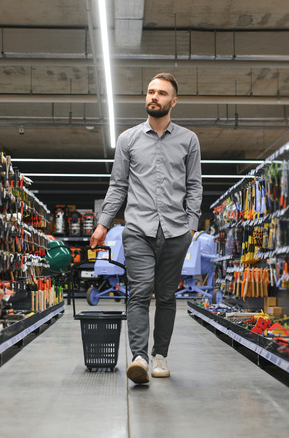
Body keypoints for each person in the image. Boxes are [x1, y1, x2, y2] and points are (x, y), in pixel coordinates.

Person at [89, 72, 202, 385]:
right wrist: (103, 224)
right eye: (151, 92)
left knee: (166, 297)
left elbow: (194, 185)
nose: (154, 97)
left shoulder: (188, 140)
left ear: (173, 101)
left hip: (177, 232)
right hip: (138, 229)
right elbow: (118, 185)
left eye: (162, 93)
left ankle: (159, 356)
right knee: (138, 293)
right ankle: (138, 356)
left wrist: (191, 225)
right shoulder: (128, 139)